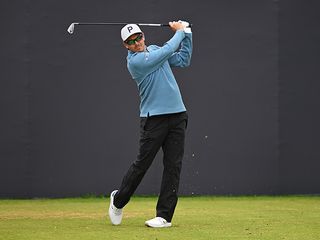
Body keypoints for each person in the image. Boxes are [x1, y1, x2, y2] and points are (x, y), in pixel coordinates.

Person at [108, 20, 192, 228]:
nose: (136, 43)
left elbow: (183, 59)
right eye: (131, 41)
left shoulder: (155, 50)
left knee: (173, 166)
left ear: (143, 35)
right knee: (142, 165)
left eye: (138, 37)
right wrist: (180, 31)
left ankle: (164, 216)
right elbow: (168, 50)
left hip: (178, 115)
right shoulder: (135, 62)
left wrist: (188, 34)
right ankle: (118, 200)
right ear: (126, 46)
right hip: (154, 119)